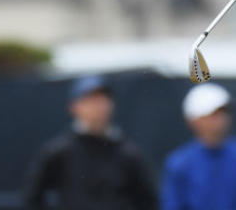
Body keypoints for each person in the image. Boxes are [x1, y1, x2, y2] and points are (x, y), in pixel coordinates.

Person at [23, 74, 156, 210]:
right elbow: (33, 197)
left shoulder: (129, 154)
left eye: (102, 100)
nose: (98, 107)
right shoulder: (58, 152)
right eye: (91, 100)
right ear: (74, 107)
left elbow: (148, 200)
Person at [162, 82, 236, 210]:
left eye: (223, 113)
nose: (220, 120)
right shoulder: (179, 163)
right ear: (193, 120)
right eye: (212, 114)